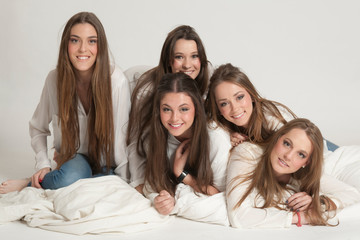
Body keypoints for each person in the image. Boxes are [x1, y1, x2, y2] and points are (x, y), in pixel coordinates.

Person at [0, 12, 131, 193]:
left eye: (92, 41)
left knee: (103, 187)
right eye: (75, 40)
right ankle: (37, 182)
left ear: (100, 46)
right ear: (66, 45)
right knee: (69, 179)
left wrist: (124, 181)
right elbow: (38, 127)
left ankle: (42, 181)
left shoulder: (116, 81)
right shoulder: (54, 80)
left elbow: (120, 140)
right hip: (76, 158)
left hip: (108, 163)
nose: (83, 49)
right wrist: (43, 164)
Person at [226, 118, 360, 228]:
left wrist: (318, 202)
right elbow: (238, 216)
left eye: (301, 154)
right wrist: (298, 217)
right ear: (277, 138)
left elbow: (352, 193)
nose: (288, 156)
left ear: (306, 162)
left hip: (326, 151)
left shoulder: (305, 174)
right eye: (287, 144)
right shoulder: (247, 153)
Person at [126, 25, 212, 192]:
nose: (188, 65)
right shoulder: (147, 92)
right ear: (168, 61)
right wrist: (138, 182)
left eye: (194, 56)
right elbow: (136, 137)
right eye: (179, 57)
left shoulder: (208, 80)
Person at [143, 72, 230, 216]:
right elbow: (151, 184)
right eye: (166, 109)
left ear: (196, 108)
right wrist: (161, 200)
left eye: (184, 109)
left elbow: (221, 196)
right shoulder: (154, 137)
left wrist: (182, 174)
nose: (174, 118)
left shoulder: (216, 137)